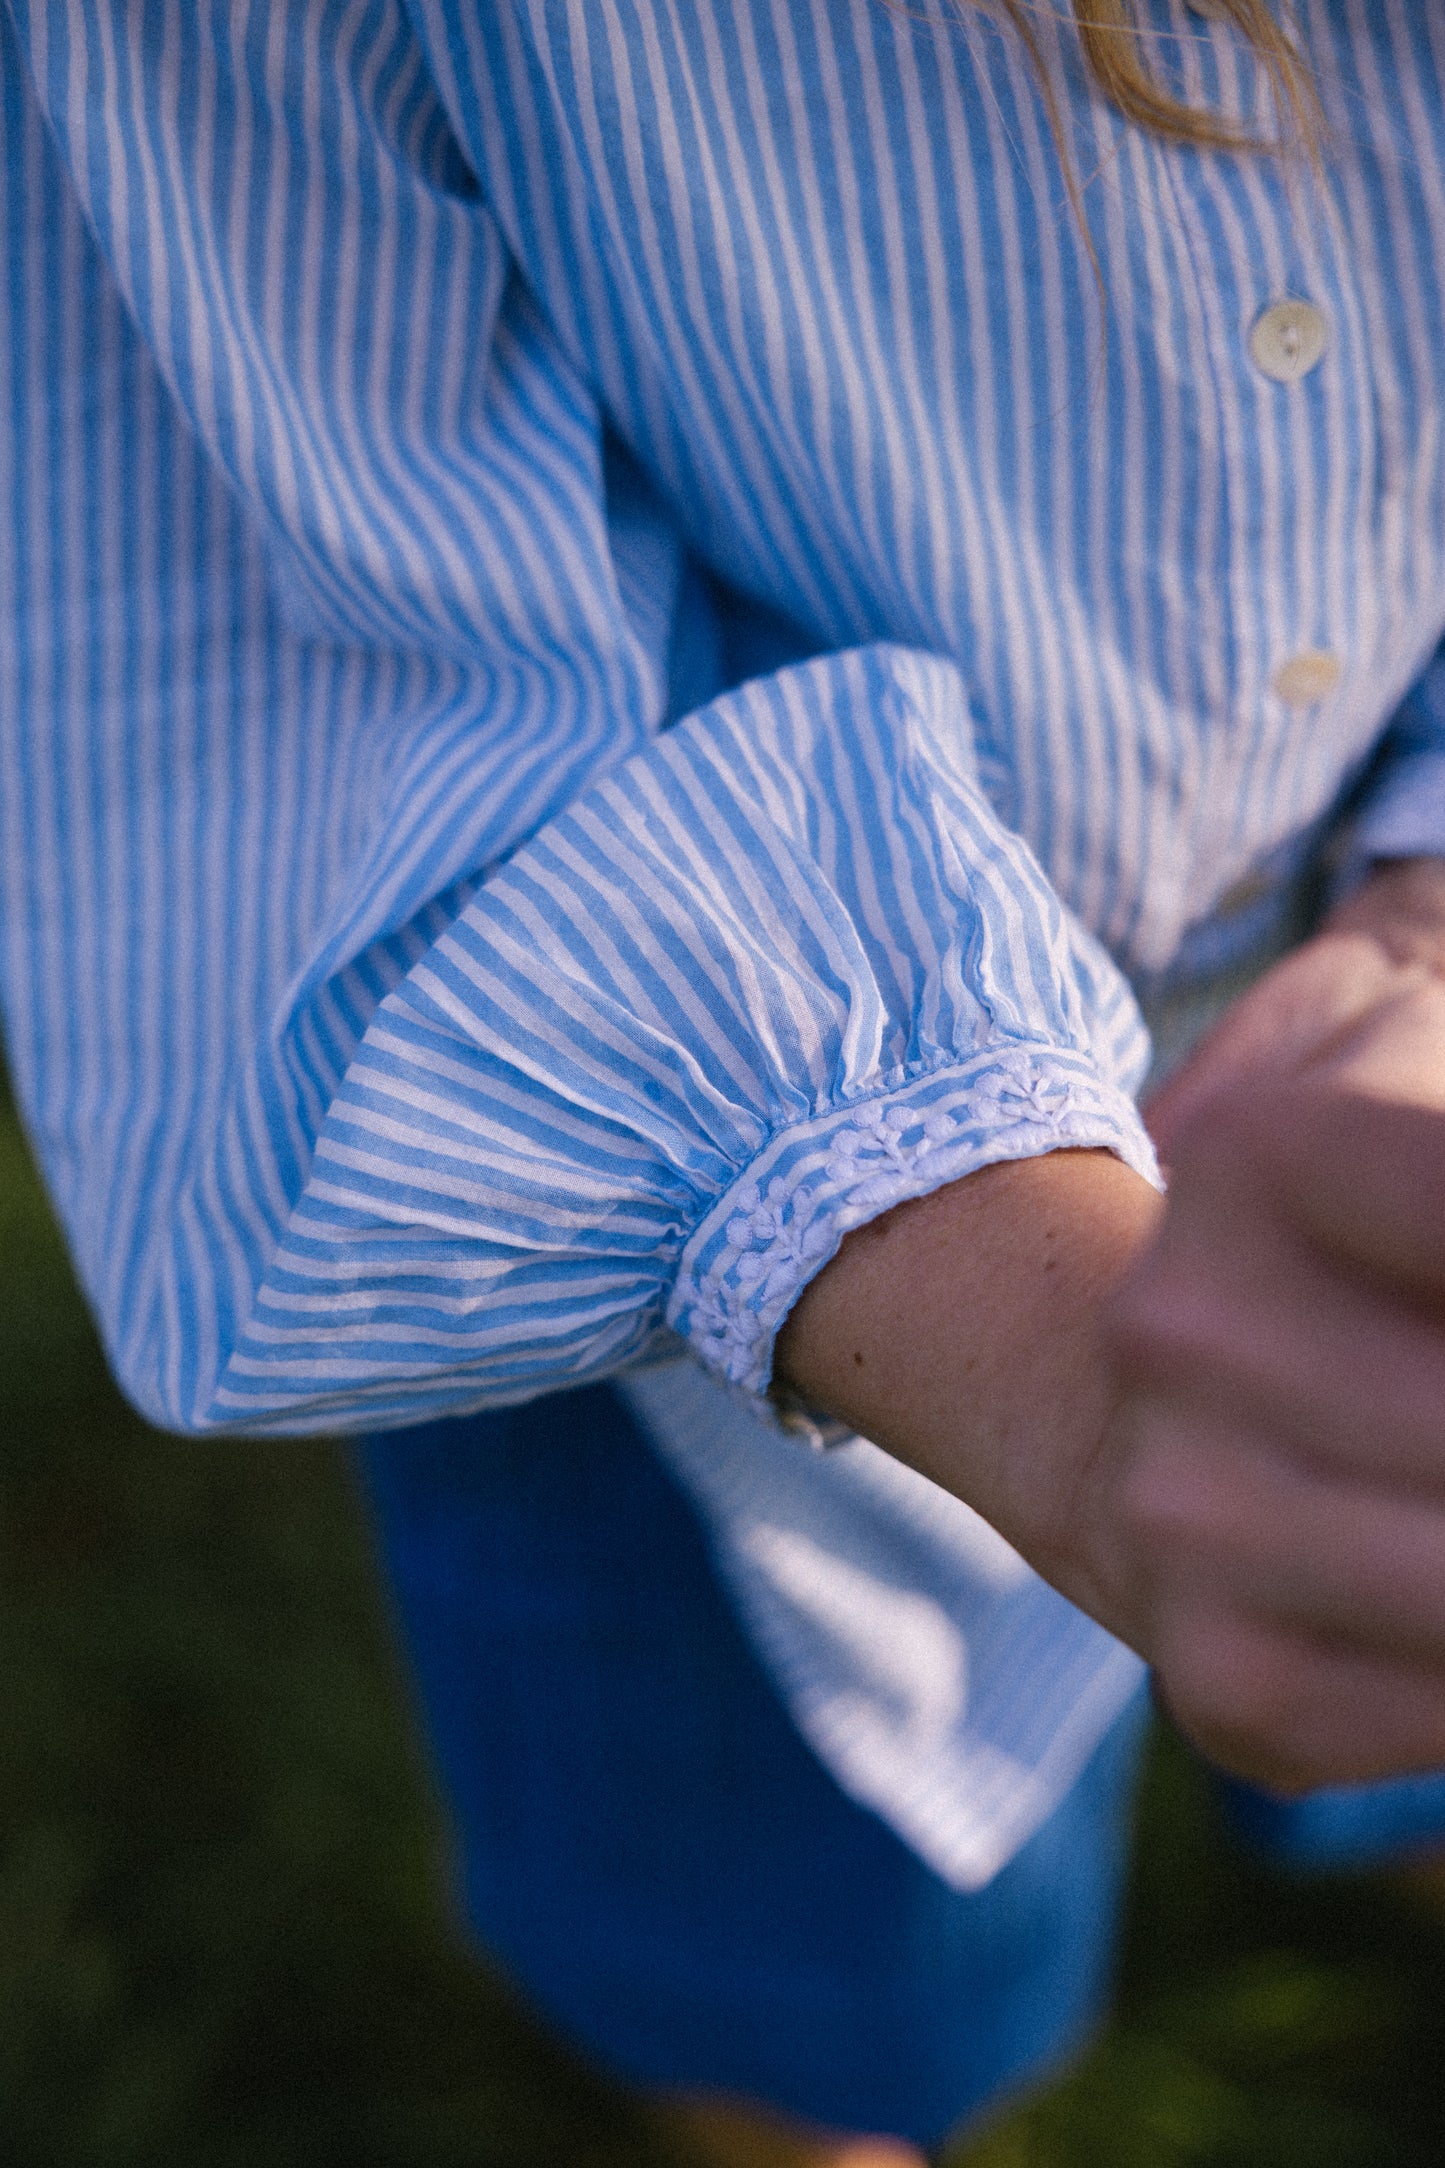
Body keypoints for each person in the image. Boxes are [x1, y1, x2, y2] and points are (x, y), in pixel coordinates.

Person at [6, 2, 1445, 2161]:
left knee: (1385, 1636)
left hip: (1391, 1031)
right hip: (685, 1255)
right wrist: (1064, 1383)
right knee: (793, 1972)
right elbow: (304, 658)